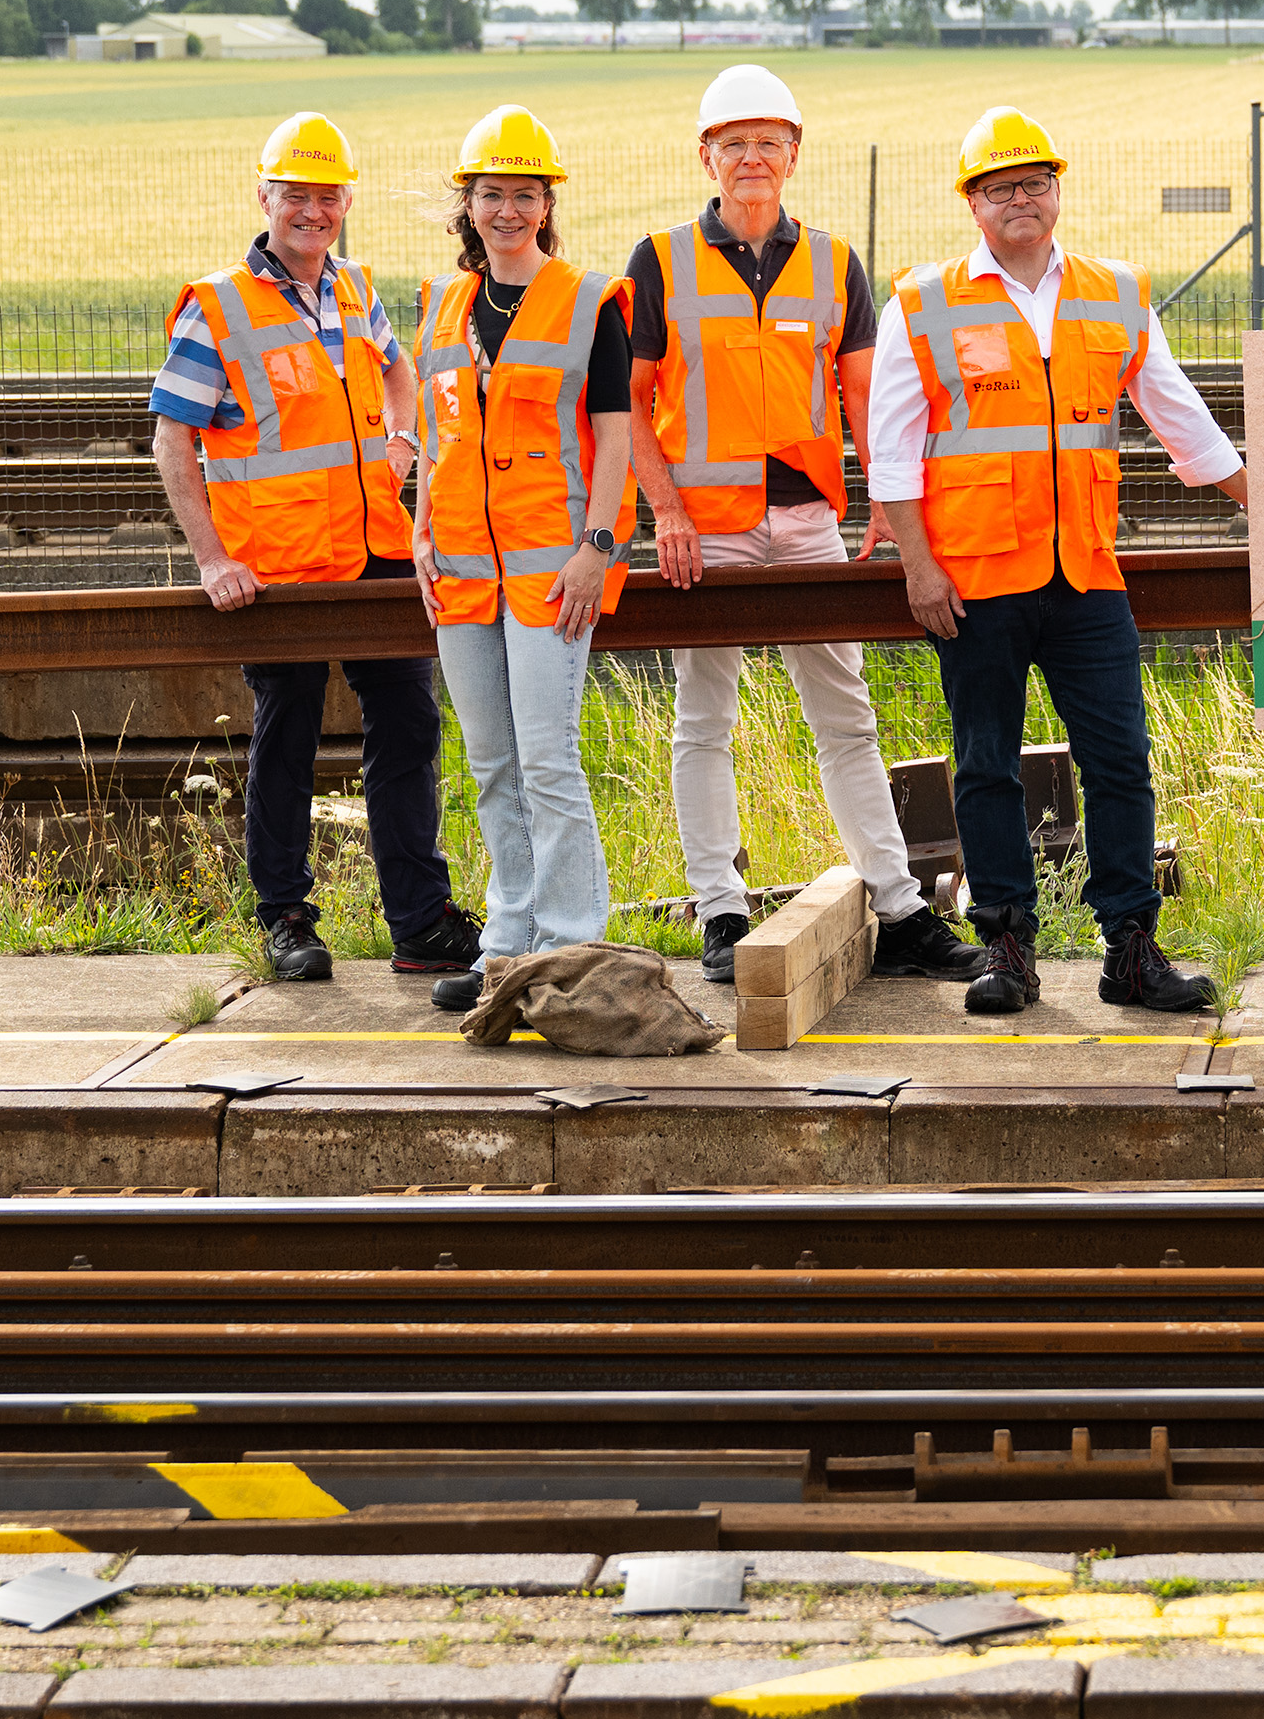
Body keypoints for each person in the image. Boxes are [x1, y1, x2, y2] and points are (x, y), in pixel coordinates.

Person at [869, 107, 1248, 1017]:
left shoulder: (1116, 293)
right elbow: (892, 451)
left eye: (1035, 183)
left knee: (1120, 761)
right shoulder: (922, 302)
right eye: (1000, 188)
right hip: (974, 582)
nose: (1021, 200)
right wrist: (919, 568)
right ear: (972, 203)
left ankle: (1132, 951)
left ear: (1057, 192)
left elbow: (1183, 418)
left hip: (1086, 576)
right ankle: (1007, 949)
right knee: (986, 766)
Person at [628, 62, 982, 990]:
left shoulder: (834, 263)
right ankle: (719, 910)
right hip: (706, 531)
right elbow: (629, 404)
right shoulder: (658, 261)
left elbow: (867, 400)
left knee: (846, 717)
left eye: (769, 143)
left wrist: (886, 505)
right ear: (706, 156)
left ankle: (899, 909)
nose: (752, 157)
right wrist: (666, 510)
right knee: (704, 719)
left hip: (809, 522)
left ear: (793, 155)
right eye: (734, 143)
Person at [149, 110, 478, 989]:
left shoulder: (356, 288)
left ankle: (421, 921)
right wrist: (212, 559)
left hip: (376, 550)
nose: (312, 212)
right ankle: (286, 919)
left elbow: (399, 370)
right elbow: (172, 440)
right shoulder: (217, 306)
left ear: (345, 204)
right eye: (296, 194)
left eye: (328, 197)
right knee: (287, 735)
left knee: (409, 728)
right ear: (264, 198)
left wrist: (403, 443)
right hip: (275, 564)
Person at [410, 105, 638, 1017]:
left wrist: (597, 549)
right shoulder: (442, 304)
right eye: (490, 194)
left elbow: (616, 438)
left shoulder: (588, 302)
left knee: (547, 760)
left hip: (555, 570)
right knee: (492, 764)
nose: (507, 210)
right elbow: (437, 437)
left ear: (548, 204)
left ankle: (569, 945)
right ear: (467, 205)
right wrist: (421, 531)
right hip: (462, 568)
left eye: (524, 195)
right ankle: (506, 947)